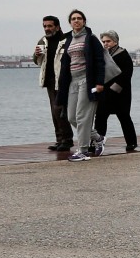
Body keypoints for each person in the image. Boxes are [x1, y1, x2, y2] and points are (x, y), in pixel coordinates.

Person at [57, 9, 110, 161]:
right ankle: (98, 138)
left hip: (88, 81)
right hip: (73, 81)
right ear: (70, 22)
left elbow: (100, 61)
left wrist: (99, 82)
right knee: (71, 116)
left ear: (84, 21)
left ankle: (83, 151)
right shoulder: (68, 40)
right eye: (73, 19)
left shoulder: (91, 38)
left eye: (79, 18)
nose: (76, 21)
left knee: (83, 116)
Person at [93, 29, 138, 153]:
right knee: (100, 117)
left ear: (115, 41)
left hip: (121, 93)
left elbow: (127, 74)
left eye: (108, 41)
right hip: (104, 92)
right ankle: (97, 142)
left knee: (124, 117)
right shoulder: (102, 54)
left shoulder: (123, 54)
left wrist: (114, 88)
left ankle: (131, 142)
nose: (105, 43)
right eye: (103, 41)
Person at [33, 14, 71, 155]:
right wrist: (37, 54)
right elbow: (37, 61)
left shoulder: (66, 40)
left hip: (63, 81)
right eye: (45, 26)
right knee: (54, 112)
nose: (47, 29)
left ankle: (67, 140)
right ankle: (60, 139)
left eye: (50, 26)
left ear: (57, 26)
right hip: (49, 82)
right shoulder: (42, 41)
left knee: (62, 111)